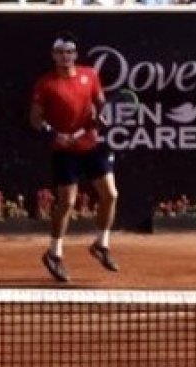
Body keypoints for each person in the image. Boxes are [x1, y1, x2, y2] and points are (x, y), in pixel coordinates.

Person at [29, 33, 119, 283]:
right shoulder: (45, 84)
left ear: (75, 54)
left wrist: (101, 117)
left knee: (110, 194)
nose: (65, 56)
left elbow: (100, 103)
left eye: (69, 51)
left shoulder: (90, 75)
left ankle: (101, 245)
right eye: (60, 52)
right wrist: (54, 134)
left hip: (92, 145)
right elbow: (35, 119)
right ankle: (54, 253)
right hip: (65, 151)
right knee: (66, 202)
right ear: (53, 55)